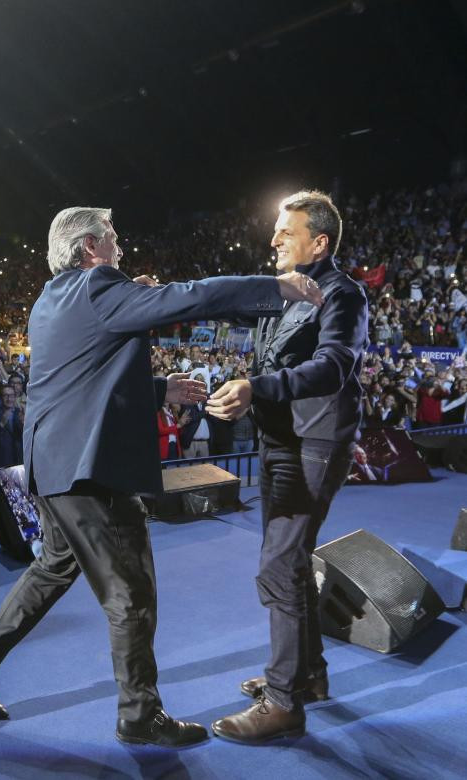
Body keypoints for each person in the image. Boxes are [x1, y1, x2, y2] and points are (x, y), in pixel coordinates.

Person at [0, 205, 320, 748]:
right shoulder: (101, 285)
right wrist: (276, 287)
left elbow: (83, 375)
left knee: (52, 570)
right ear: (92, 247)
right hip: (90, 471)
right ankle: (140, 714)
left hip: (52, 466)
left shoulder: (52, 298)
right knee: (132, 594)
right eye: (113, 239)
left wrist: (158, 390)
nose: (120, 247)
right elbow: (194, 294)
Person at [207, 190, 368, 744]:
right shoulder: (285, 291)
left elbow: (333, 367)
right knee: (291, 564)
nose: (274, 239)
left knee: (279, 565)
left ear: (318, 241)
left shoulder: (343, 295)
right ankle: (310, 677)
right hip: (279, 441)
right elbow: (232, 307)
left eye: (286, 231)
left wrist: (258, 387)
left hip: (314, 444)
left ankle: (283, 703)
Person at [0, 384, 24, 471]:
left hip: (20, 460)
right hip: (1, 462)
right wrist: (1, 424)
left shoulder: (21, 413)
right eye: (6, 395)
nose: (9, 399)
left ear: (15, 397)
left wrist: (23, 424)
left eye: (11, 395)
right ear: (0, 397)